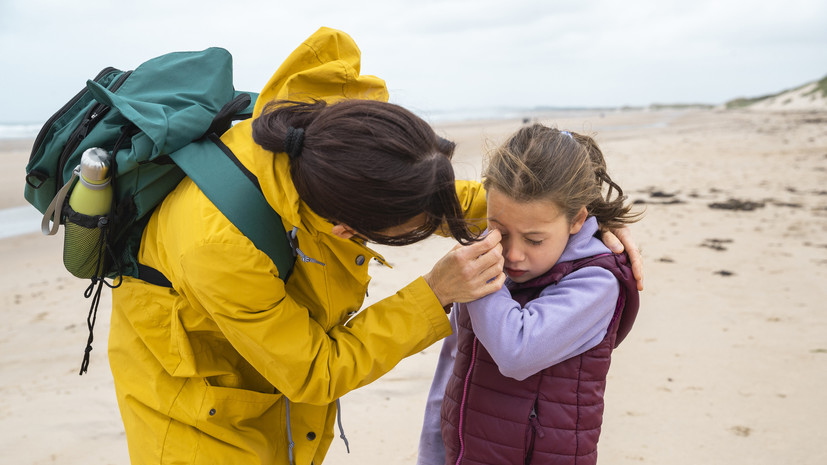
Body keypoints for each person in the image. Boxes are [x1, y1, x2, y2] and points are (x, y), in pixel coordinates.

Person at [107, 28, 641, 465]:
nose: (439, 219)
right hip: (195, 412)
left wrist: (586, 224)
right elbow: (315, 371)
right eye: (413, 226)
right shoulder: (216, 245)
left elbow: (443, 196)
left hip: (273, 380)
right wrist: (432, 294)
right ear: (346, 230)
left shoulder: (346, 137)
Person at [417, 124, 642, 465]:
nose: (514, 254)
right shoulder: (493, 267)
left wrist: (478, 273)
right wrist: (432, 455)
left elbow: (516, 352)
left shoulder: (596, 282)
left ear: (577, 219)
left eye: (534, 239)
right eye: (499, 230)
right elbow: (450, 370)